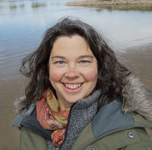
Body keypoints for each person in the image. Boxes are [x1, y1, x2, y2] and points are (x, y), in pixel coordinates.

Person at [14, 17, 152, 150]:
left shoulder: (130, 135)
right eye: (60, 62)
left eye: (83, 61)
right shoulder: (30, 117)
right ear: (47, 68)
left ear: (99, 67)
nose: (72, 73)